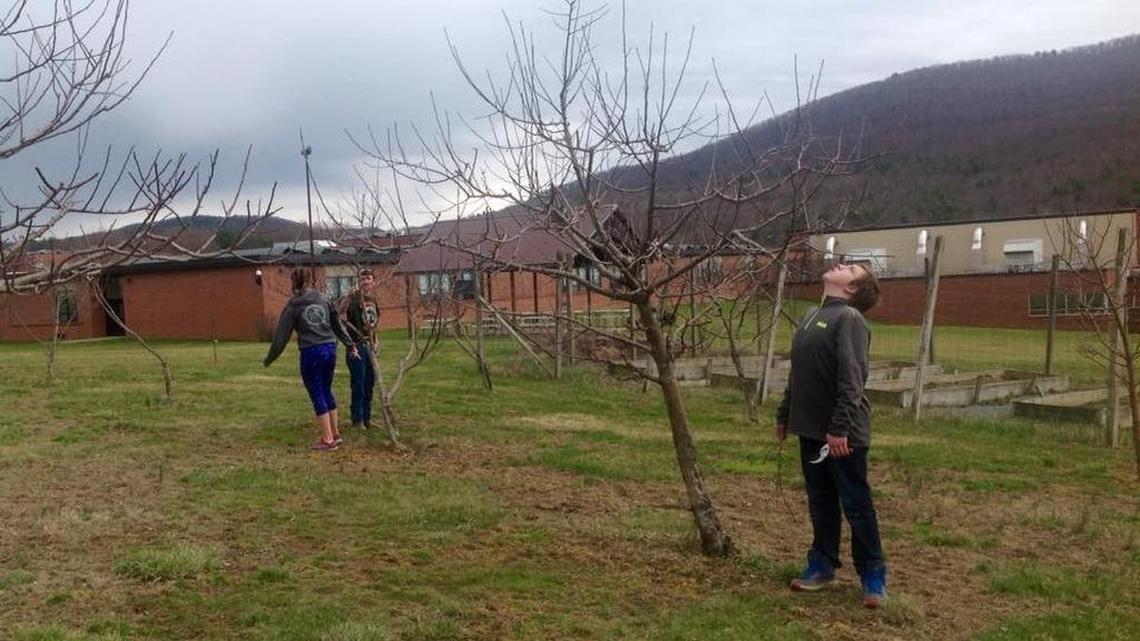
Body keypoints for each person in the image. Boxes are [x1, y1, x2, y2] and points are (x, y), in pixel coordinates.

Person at [776, 261, 886, 608]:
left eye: (851, 268)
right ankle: (822, 566)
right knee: (821, 501)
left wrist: (839, 429)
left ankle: (873, 575)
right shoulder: (811, 315)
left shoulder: (849, 319)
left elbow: (852, 379)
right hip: (810, 430)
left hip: (842, 436)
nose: (841, 263)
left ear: (853, 289)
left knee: (855, 504)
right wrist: (784, 413)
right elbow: (799, 373)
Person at [263, 267, 358, 451]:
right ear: (310, 281)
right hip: (330, 348)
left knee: (317, 392)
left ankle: (327, 439)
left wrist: (270, 358)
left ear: (294, 283)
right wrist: (350, 344)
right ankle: (335, 433)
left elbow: (281, 336)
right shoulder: (323, 298)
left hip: (311, 351)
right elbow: (337, 323)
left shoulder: (294, 304)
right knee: (326, 389)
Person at [337, 268, 381, 430]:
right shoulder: (353, 298)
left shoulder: (373, 300)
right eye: (363, 278)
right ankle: (358, 419)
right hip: (356, 346)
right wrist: (348, 296)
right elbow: (339, 312)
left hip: (370, 346)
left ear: (373, 282)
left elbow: (374, 324)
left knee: (369, 383)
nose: (366, 281)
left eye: (369, 278)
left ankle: (367, 418)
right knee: (359, 383)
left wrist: (376, 342)